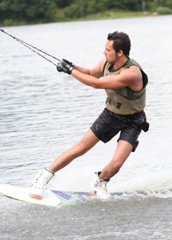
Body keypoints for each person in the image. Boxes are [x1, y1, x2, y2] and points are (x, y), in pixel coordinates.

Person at [29, 31, 149, 200]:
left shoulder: (132, 73)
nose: (104, 52)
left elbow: (96, 84)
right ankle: (42, 178)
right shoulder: (107, 62)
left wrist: (70, 71)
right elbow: (92, 73)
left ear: (120, 53)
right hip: (111, 114)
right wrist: (73, 66)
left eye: (108, 50)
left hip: (134, 120)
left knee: (116, 164)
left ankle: (100, 183)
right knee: (81, 148)